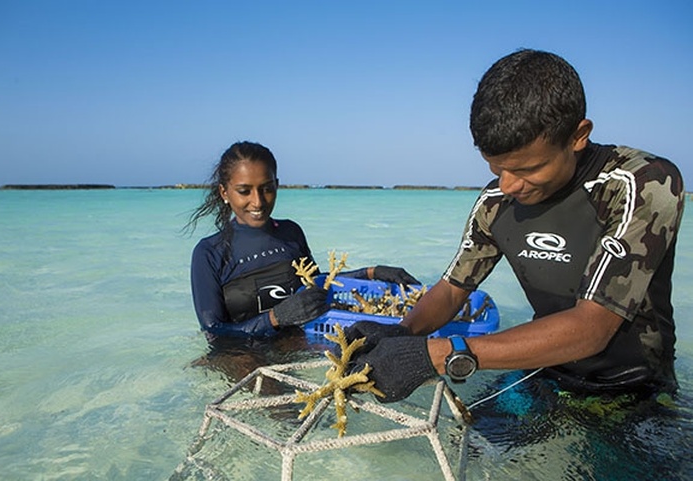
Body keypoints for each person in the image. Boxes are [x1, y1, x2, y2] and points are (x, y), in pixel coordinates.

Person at [346, 49, 685, 403]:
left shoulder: (641, 183)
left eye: (526, 170)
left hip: (634, 388)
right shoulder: (496, 201)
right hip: (543, 370)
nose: (507, 185)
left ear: (577, 135)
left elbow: (592, 328)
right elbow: (451, 290)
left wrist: (437, 354)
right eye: (496, 168)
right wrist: (402, 332)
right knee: (474, 449)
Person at [188, 141, 419, 341]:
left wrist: (371, 272)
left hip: (298, 343)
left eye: (266, 189)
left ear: (276, 185)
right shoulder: (209, 252)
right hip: (243, 357)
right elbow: (214, 331)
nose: (258, 202)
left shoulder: (291, 232)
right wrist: (274, 318)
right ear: (225, 193)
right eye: (244, 191)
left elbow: (317, 287)